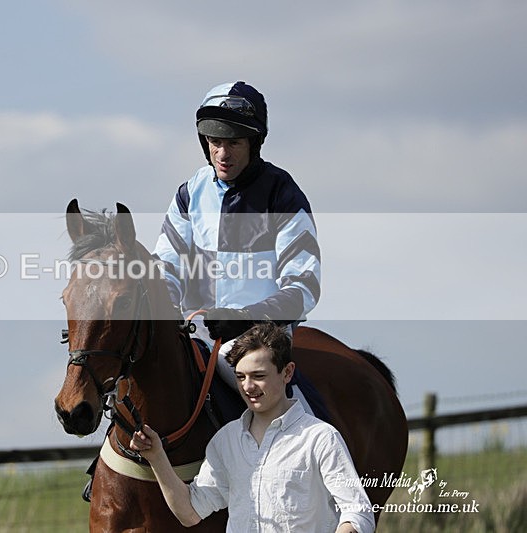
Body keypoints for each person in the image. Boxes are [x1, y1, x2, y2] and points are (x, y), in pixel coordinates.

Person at [129, 322, 375, 532]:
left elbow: (359, 512)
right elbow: (190, 512)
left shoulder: (321, 438)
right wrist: (156, 457)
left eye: (258, 376)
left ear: (287, 372)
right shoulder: (225, 440)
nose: (247, 387)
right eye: (240, 377)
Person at [153, 81, 321, 386]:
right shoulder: (190, 193)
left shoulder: (282, 194)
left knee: (254, 387)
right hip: (195, 334)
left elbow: (304, 287)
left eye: (234, 143)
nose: (222, 153)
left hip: (260, 338)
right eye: (214, 141)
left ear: (254, 143)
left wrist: (244, 317)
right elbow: (166, 267)